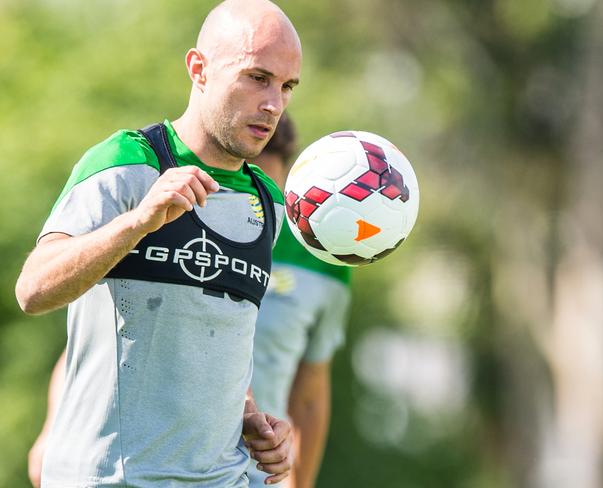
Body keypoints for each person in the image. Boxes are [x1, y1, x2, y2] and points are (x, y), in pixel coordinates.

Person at [16, 0, 302, 486]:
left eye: (286, 86)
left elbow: (210, 346)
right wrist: (139, 222)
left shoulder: (269, 202)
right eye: (257, 77)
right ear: (199, 69)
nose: (273, 103)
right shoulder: (127, 161)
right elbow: (33, 289)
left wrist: (250, 417)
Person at [246, 115, 352, 488]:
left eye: (266, 189)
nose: (254, 202)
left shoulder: (323, 254)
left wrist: (301, 482)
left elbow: (309, 395)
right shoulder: (177, 218)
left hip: (257, 477)